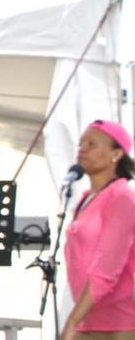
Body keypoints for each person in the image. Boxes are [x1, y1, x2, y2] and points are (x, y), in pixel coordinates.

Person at [62, 119, 135, 340]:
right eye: (81, 144)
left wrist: (72, 319)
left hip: (117, 324)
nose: (82, 150)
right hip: (88, 320)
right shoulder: (87, 198)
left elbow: (107, 268)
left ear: (116, 153)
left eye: (92, 144)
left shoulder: (121, 197)